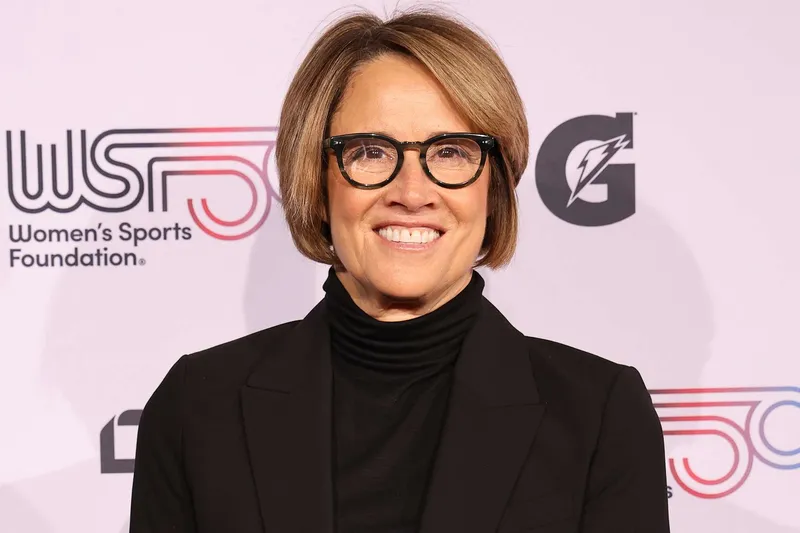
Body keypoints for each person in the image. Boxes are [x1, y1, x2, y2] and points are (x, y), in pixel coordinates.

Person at [129, 8, 671, 533]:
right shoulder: (197, 407)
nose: (412, 193)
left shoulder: (598, 416)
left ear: (494, 189)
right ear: (316, 182)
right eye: (370, 152)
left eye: (452, 152)